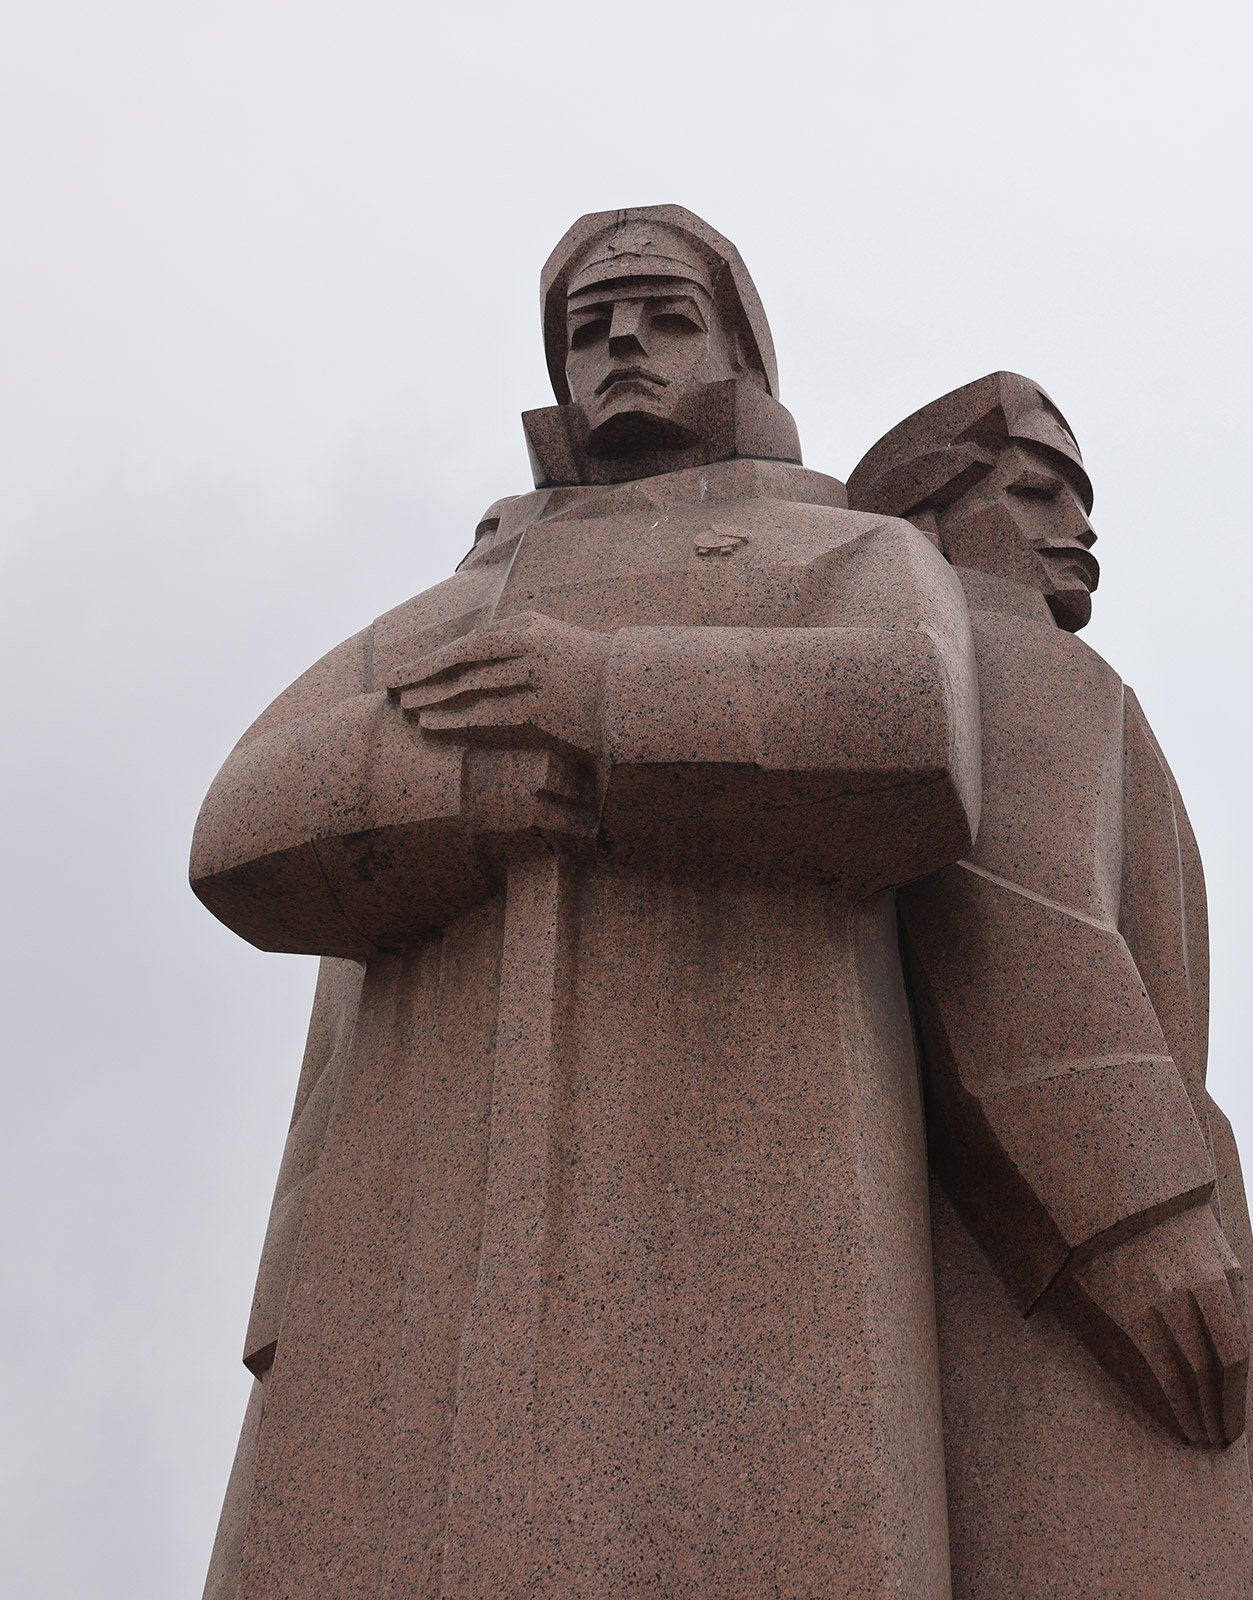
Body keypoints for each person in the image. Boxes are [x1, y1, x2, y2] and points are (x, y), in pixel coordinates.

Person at [192, 207, 981, 1598]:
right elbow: (237, 824)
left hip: (763, 1166)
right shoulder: (456, 605)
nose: (619, 342)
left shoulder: (838, 555)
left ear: (741, 350)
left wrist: (605, 700)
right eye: (585, 326)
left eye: (665, 314)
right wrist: (465, 796)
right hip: (419, 1212)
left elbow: (914, 728)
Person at [849, 372, 1253, 1599]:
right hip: (1077, 1233)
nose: (1078, 524)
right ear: (927, 515)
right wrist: (1141, 1216)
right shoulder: (995, 646)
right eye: (1035, 489)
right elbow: (1017, 909)